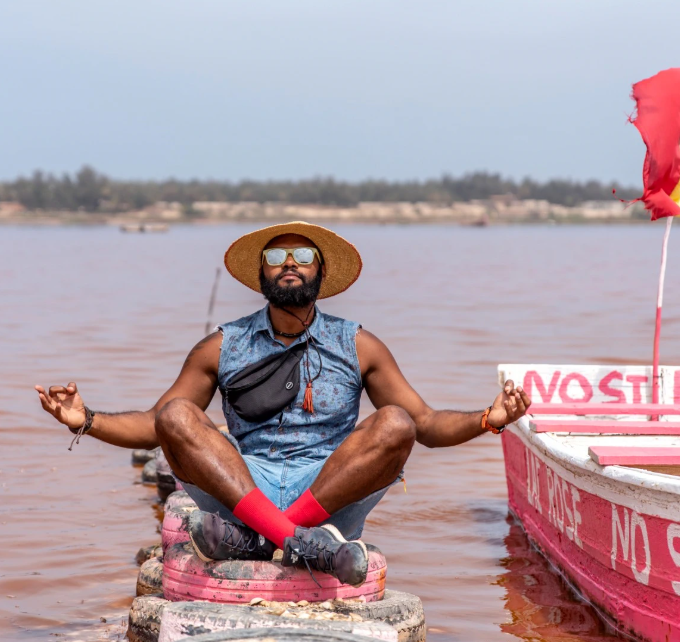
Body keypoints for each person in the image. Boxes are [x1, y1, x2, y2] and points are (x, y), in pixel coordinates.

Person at [36, 221, 530, 586]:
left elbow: (424, 424)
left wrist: (490, 418)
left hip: (327, 492)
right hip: (244, 483)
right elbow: (154, 425)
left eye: (301, 255)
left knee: (394, 422)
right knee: (176, 415)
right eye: (276, 258)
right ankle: (292, 541)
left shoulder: (357, 344)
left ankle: (260, 538)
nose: (288, 263)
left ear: (321, 271)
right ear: (261, 276)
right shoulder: (223, 345)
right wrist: (87, 419)